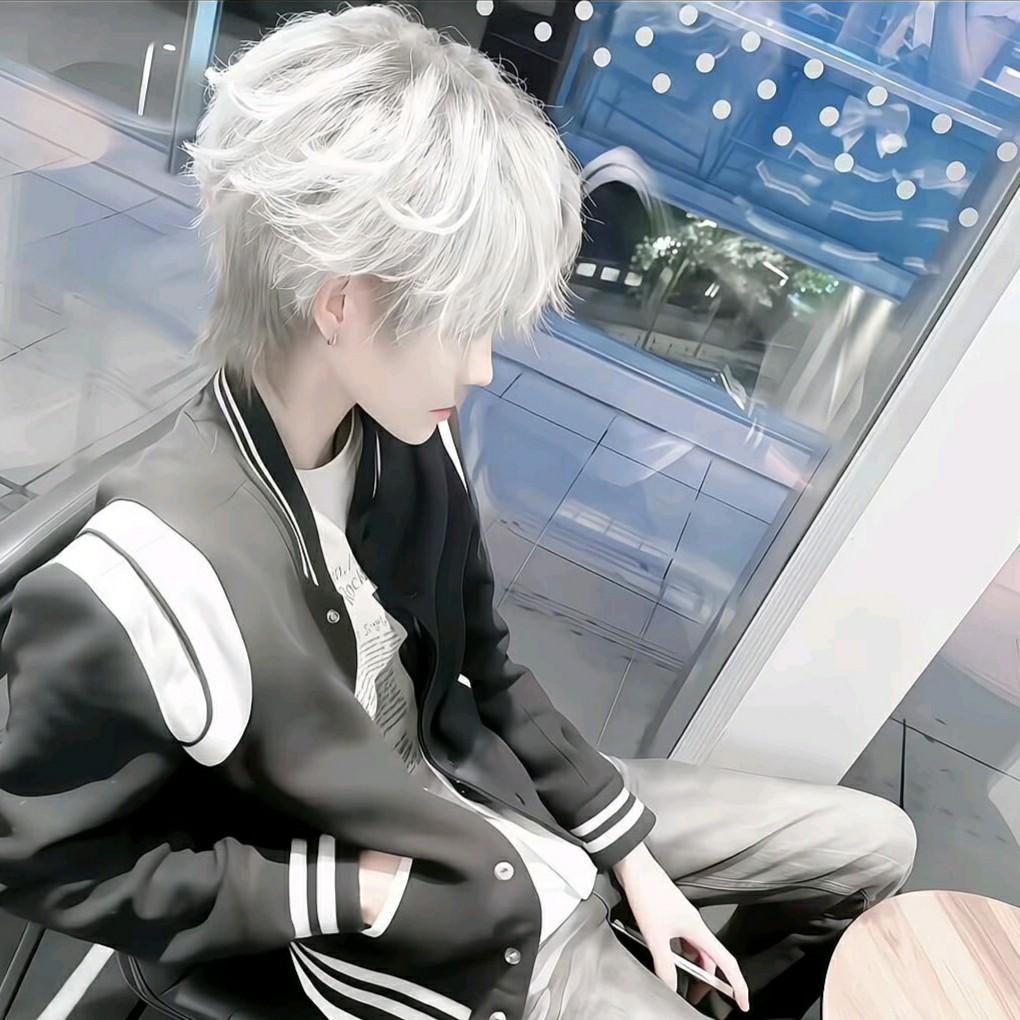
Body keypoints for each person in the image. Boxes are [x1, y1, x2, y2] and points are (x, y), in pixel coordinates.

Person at [0, 7, 915, 1019]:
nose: (482, 367)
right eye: (464, 324)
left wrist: (637, 864)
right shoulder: (149, 579)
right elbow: (41, 859)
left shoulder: (405, 445)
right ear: (341, 303)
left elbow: (489, 663)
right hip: (444, 932)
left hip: (500, 795)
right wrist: (346, 894)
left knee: (874, 846)